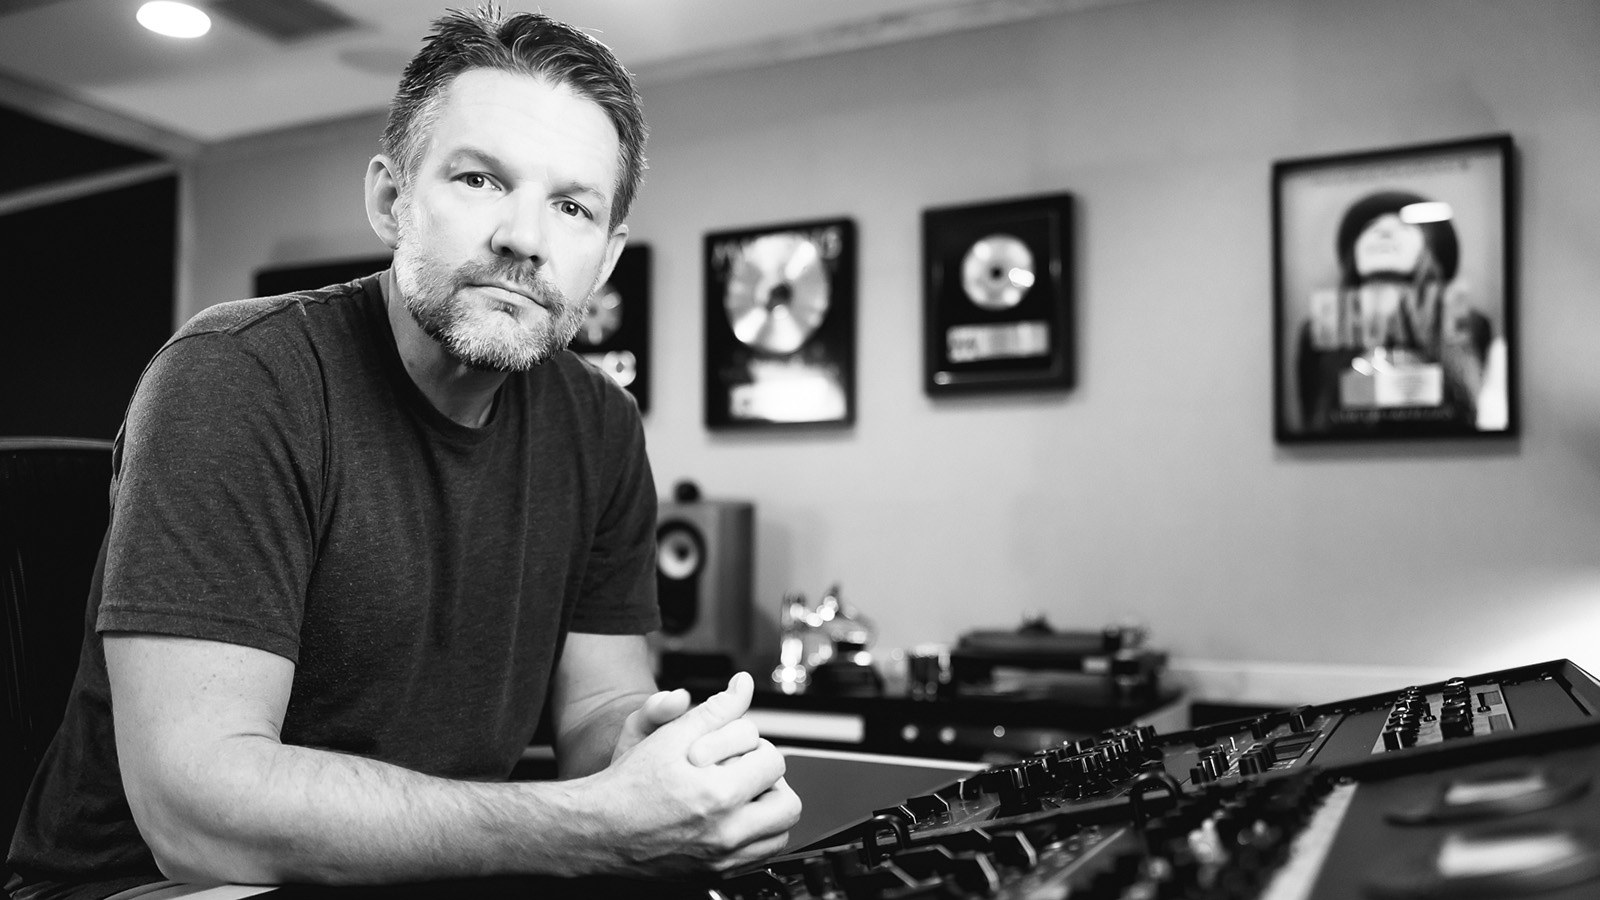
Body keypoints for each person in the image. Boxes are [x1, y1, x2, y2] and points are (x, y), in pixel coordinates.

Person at [5, 6, 800, 898]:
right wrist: (591, 824)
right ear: (391, 200)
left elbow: (597, 708)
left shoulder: (600, 426)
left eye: (571, 206)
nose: (524, 239)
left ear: (606, 259)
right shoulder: (239, 377)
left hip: (413, 871)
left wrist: (663, 764)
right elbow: (195, 818)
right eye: (480, 180)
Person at [1292, 190, 1504, 435]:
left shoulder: (1470, 324)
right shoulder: (1317, 332)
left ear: (1428, 249)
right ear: (1355, 252)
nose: (1384, 232)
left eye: (1403, 227)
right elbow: (1313, 422)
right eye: (1370, 228)